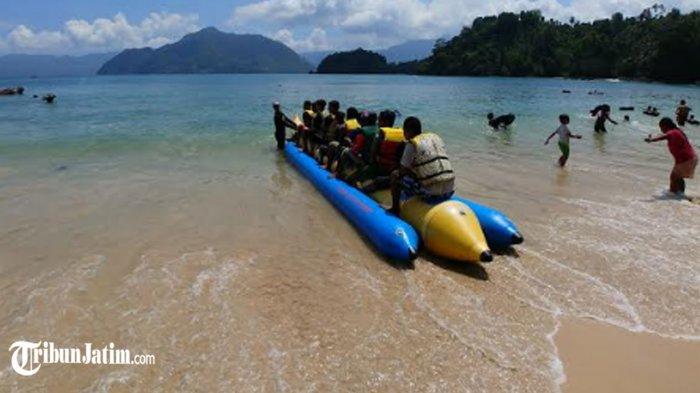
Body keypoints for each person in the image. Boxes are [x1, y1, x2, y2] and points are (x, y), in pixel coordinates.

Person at [389, 117, 455, 215]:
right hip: (450, 189)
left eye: (404, 131)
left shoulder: (411, 144)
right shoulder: (434, 138)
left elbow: (402, 170)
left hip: (431, 194)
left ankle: (395, 209)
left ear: (408, 130)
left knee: (395, 175)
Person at [644, 117, 697, 195]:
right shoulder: (677, 131)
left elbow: (664, 136)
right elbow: (665, 135)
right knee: (678, 177)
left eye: (661, 127)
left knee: (674, 177)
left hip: (685, 159)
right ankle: (681, 195)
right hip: (690, 158)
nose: (661, 129)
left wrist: (652, 140)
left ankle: (673, 195)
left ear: (665, 126)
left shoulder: (672, 133)